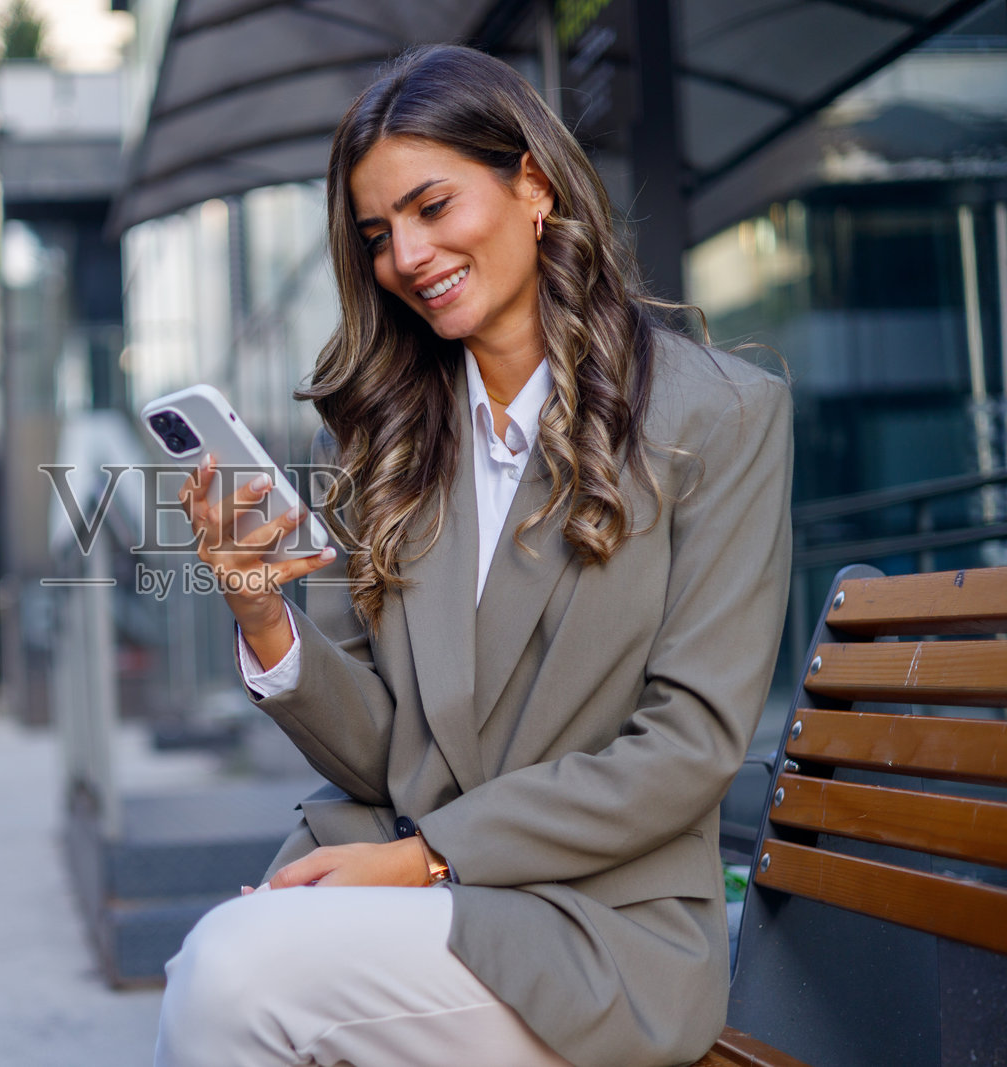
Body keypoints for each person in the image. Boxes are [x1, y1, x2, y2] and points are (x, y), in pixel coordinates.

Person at [154, 44, 794, 1067]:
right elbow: (389, 756)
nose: (406, 255)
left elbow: (688, 745)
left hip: (601, 930)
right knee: (226, 970)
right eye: (376, 232)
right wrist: (266, 622)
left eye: (431, 206)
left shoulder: (717, 415)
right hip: (421, 895)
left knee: (232, 978)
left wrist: (425, 856)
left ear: (532, 183)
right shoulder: (384, 444)